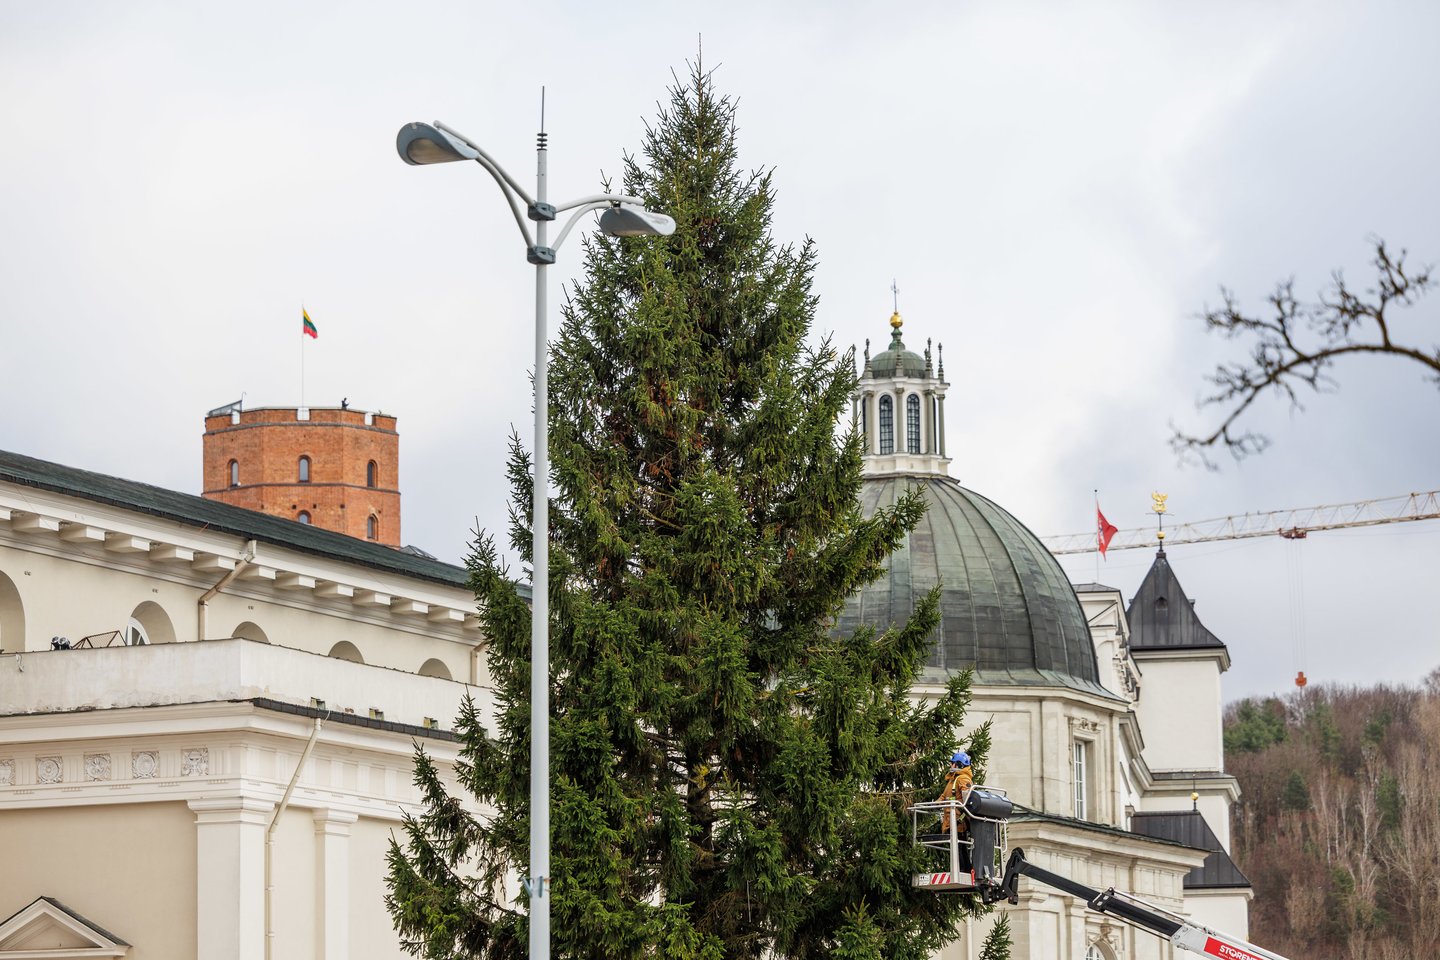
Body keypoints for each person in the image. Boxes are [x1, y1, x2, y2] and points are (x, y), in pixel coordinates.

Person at [939, 750, 972, 833]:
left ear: (959, 764)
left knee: (959, 842)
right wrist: (932, 805)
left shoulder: (963, 779)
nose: (950, 765)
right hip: (949, 822)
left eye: (952, 763)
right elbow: (944, 797)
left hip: (958, 824)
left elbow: (968, 801)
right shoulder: (952, 780)